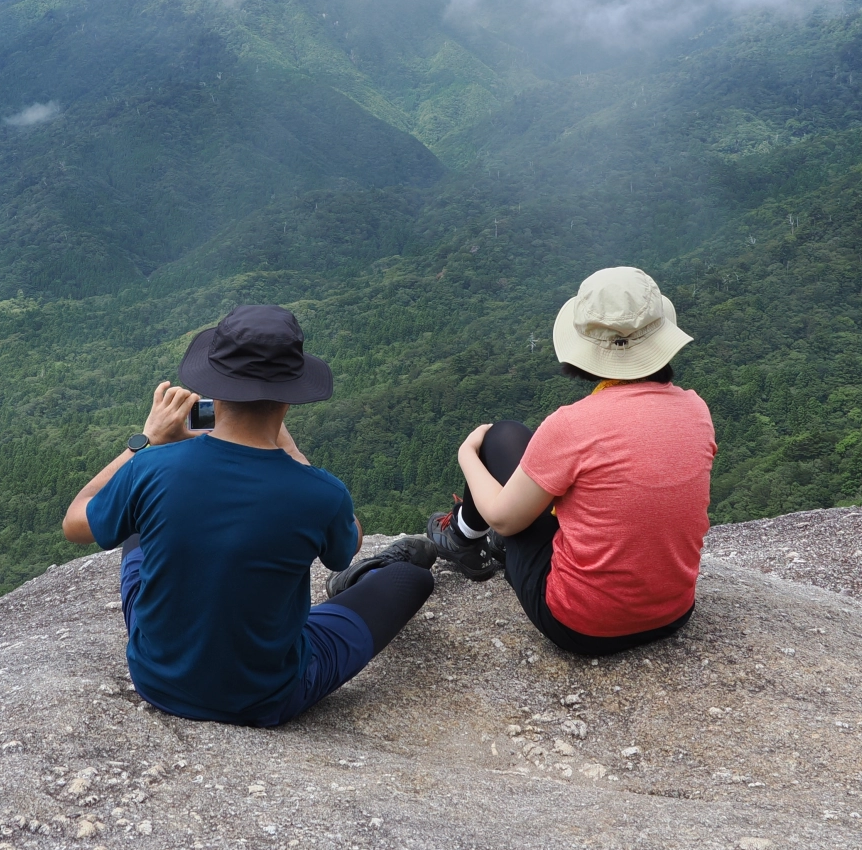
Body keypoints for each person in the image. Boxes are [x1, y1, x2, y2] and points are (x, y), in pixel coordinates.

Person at [61, 304, 435, 726]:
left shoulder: (150, 469)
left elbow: (75, 522)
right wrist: (293, 455)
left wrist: (145, 442)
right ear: (291, 397)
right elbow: (346, 546)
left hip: (156, 679)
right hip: (266, 697)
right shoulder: (321, 493)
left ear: (213, 392)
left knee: (138, 520)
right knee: (412, 578)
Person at [426, 266, 717, 656]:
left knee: (503, 436)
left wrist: (467, 452)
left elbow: (504, 517)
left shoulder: (573, 424)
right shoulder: (696, 410)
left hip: (580, 626)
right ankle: (465, 536)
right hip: (674, 612)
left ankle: (464, 538)